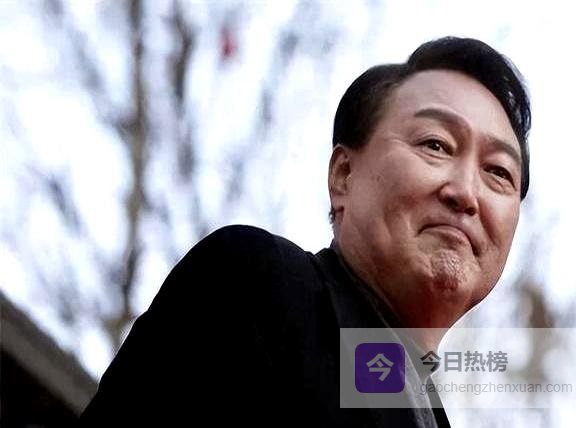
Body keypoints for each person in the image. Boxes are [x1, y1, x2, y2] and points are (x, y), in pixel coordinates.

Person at [79, 36, 530, 427]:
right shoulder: (256, 286)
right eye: (436, 145)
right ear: (343, 176)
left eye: (498, 172)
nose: (466, 193)